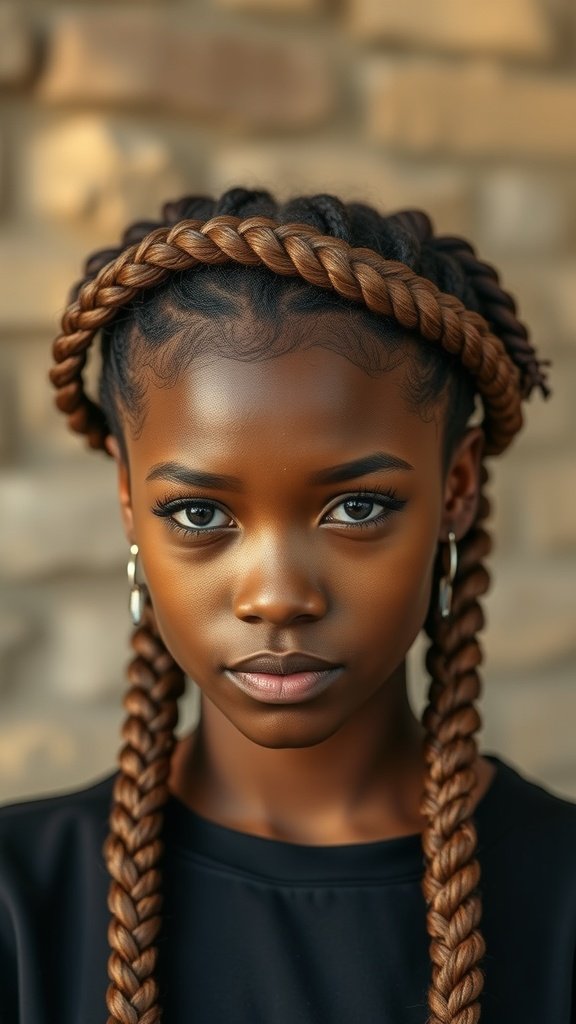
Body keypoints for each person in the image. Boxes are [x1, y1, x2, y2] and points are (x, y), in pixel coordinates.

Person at [0, 187, 575, 1024]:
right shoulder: (19, 905)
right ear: (129, 500)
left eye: (358, 508)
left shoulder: (559, 894)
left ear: (457, 490)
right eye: (200, 514)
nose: (277, 597)